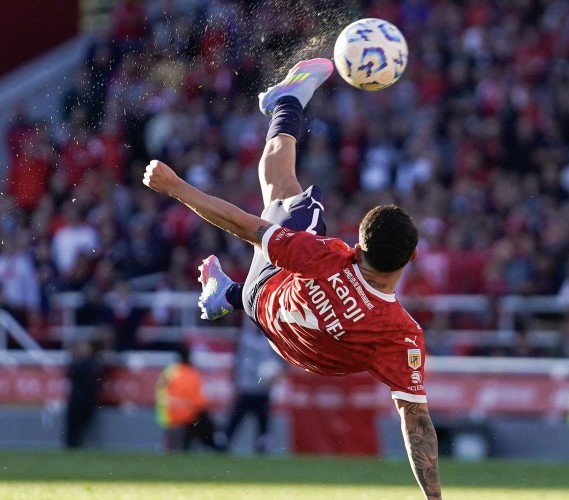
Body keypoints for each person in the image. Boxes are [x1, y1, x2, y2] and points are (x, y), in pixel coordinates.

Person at [142, 58, 441, 499]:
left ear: (358, 246)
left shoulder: (329, 257)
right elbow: (417, 424)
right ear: (412, 256)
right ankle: (227, 292)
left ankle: (286, 102)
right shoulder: (403, 337)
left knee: (285, 190)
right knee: (284, 205)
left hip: (267, 298)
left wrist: (175, 188)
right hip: (291, 347)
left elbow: (244, 226)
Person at [222, 326, 283, 453]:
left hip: (262, 388)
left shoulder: (270, 338)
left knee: (263, 420)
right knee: (236, 417)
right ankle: (225, 441)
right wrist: (235, 383)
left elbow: (278, 362)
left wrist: (275, 373)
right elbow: (238, 361)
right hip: (246, 387)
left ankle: (262, 444)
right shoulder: (244, 337)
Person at [155, 346, 222, 452]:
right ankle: (215, 446)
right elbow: (201, 402)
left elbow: (159, 392)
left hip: (167, 417)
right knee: (204, 422)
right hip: (187, 418)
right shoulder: (193, 374)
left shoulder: (169, 372)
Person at [65, 339, 102, 448]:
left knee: (82, 425)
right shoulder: (78, 364)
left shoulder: (93, 363)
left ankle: (76, 445)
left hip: (88, 399)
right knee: (73, 426)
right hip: (77, 399)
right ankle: (71, 445)